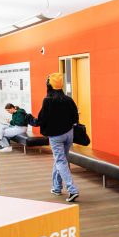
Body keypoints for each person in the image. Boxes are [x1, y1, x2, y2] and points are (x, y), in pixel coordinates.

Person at [36, 73, 80, 203]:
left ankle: (72, 189)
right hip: (68, 134)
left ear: (49, 85)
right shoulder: (68, 99)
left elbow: (41, 119)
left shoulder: (48, 100)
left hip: (56, 137)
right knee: (60, 160)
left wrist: (32, 120)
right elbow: (75, 118)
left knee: (61, 161)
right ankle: (56, 188)